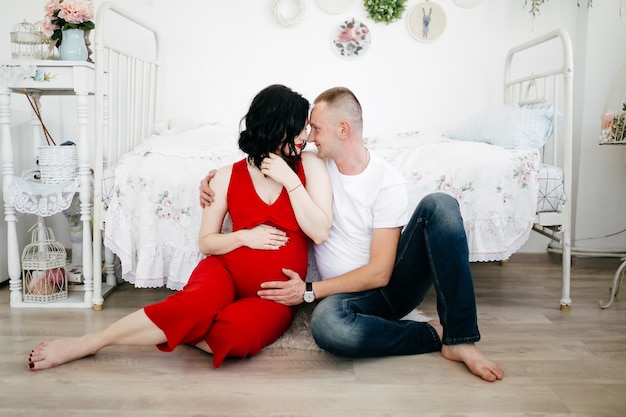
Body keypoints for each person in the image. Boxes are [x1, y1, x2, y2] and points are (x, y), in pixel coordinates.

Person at [201, 87, 504, 382]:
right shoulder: (316, 162)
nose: (308, 137)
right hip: (344, 297)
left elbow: (380, 273)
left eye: (315, 129)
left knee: (441, 205)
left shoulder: (387, 182)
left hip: (389, 288)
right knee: (328, 326)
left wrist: (310, 290)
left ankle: (461, 337)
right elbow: (263, 154)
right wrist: (213, 179)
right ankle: (433, 334)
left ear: (343, 129)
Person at [28, 84, 333, 371]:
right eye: (298, 129)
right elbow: (207, 242)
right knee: (189, 309)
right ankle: (90, 342)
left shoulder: (310, 165)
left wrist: (289, 179)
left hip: (274, 293)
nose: (304, 137)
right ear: (276, 127)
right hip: (224, 271)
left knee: (237, 339)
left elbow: (319, 231)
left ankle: (181, 326)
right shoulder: (226, 176)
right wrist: (244, 236)